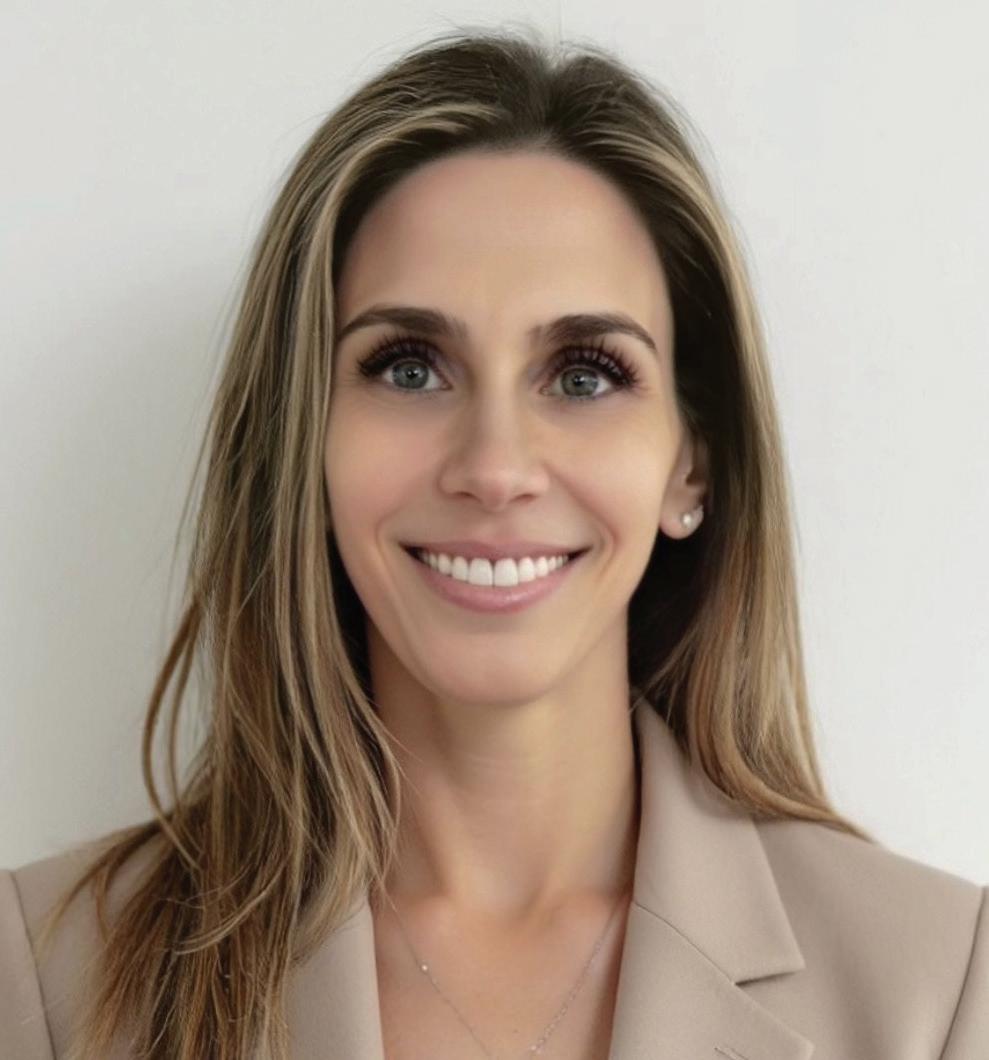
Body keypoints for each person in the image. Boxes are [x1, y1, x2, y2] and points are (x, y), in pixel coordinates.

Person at [1, 24, 985, 1060]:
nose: (495, 465)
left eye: (584, 375)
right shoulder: (51, 982)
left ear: (690, 464)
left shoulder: (933, 989)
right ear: (302, 439)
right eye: (409, 367)